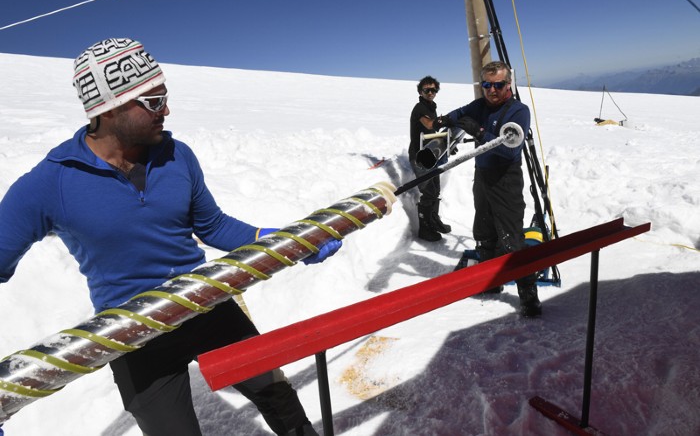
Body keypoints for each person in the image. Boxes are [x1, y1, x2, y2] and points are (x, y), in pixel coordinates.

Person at [0, 38, 341, 435]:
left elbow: (212, 225)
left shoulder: (177, 155)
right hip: (132, 333)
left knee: (278, 396)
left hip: (205, 302)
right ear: (108, 108)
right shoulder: (50, 182)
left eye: (165, 96)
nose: (166, 109)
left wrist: (285, 242)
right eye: (154, 100)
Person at [443, 61, 542, 317]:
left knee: (511, 238)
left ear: (508, 84)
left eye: (498, 84)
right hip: (483, 175)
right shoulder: (481, 105)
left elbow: (510, 150)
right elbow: (459, 113)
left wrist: (481, 131)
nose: (492, 90)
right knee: (484, 231)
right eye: (486, 85)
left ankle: (528, 295)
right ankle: (491, 281)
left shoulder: (518, 111)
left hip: (506, 178)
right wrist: (441, 121)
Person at [408, 76, 452, 242]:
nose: (431, 92)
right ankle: (425, 229)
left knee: (435, 189)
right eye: (427, 90)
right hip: (420, 156)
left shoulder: (431, 107)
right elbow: (429, 125)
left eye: (434, 90)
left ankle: (434, 220)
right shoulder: (420, 108)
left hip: (431, 153)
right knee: (428, 191)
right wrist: (445, 120)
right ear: (421, 91)